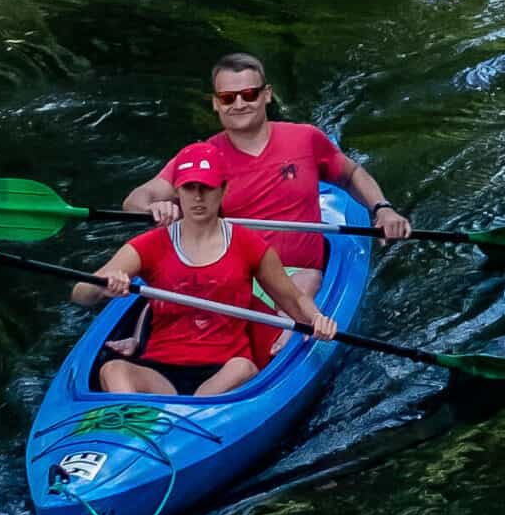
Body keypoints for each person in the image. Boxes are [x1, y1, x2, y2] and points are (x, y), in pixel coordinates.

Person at [122, 53, 410, 296]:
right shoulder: (201, 156)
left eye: (248, 94)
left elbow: (351, 175)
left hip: (300, 279)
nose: (238, 104)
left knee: (302, 284)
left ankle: (282, 342)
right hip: (232, 279)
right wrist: (153, 208)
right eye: (227, 97)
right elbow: (136, 200)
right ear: (215, 102)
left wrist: (382, 209)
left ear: (266, 94)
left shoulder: (305, 139)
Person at [74, 142, 339, 397]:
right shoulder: (149, 246)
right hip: (161, 372)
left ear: (223, 190)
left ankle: (190, 417)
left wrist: (317, 319)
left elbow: (293, 300)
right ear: (177, 191)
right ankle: (133, 423)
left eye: (207, 188)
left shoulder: (248, 244)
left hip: (224, 370)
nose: (198, 197)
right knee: (113, 370)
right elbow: (80, 294)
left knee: (243, 368)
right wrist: (104, 285)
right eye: (189, 187)